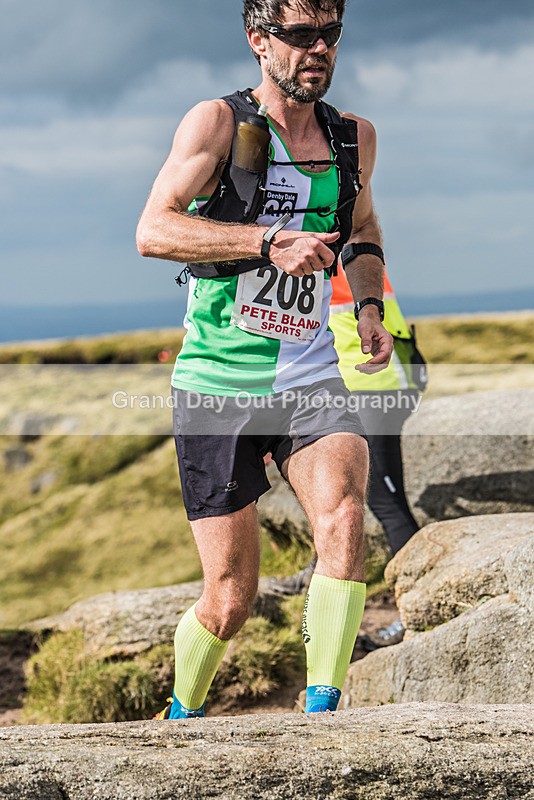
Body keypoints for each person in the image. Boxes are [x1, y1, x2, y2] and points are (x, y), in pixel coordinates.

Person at [136, 0, 393, 717]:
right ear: (258, 40)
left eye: (331, 34)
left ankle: (321, 713)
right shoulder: (219, 124)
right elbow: (153, 229)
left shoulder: (354, 139)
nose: (319, 48)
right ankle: (180, 713)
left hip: (310, 373)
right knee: (230, 599)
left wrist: (367, 306)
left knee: (343, 518)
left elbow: (363, 229)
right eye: (300, 34)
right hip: (218, 382)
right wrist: (264, 242)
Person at [269, 266, 427, 648]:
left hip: (372, 387)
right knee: (327, 492)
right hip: (355, 386)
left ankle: (418, 610)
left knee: (386, 503)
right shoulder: (340, 246)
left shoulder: (322, 253)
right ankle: (317, 568)